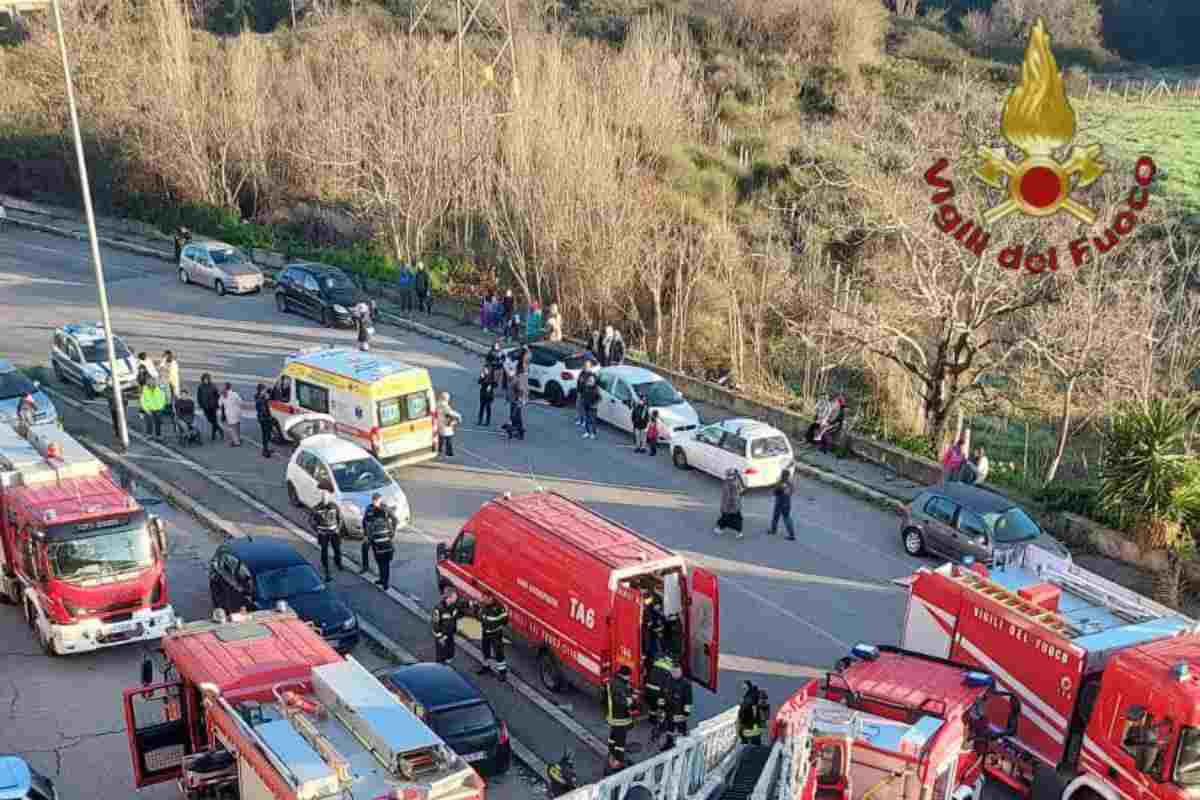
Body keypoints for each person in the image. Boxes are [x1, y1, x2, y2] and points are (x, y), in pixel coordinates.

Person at [362, 494, 395, 589]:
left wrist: (372, 539)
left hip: (379, 548)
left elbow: (370, 536)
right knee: (384, 564)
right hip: (387, 547)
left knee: (382, 564)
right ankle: (383, 580)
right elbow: (391, 533)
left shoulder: (373, 525)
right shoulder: (386, 523)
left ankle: (385, 582)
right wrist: (389, 537)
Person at [605, 666, 634, 768]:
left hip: (613, 715)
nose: (629, 678)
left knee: (613, 735)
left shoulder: (613, 682)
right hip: (620, 717)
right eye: (628, 677)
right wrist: (629, 701)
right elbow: (620, 701)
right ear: (624, 675)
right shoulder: (619, 686)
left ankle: (611, 751)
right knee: (620, 740)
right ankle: (618, 760)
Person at [476, 593, 509, 681]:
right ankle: (486, 667)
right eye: (482, 598)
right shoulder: (484, 605)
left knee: (499, 653)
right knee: (485, 650)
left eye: (485, 598)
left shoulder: (499, 608)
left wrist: (497, 625)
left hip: (496, 633)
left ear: (490, 598)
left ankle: (503, 673)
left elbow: (505, 619)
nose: (483, 600)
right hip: (486, 632)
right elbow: (480, 616)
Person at [311, 491, 342, 581]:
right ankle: (326, 568)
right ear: (321, 498)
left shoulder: (334, 506)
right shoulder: (317, 508)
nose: (325, 499)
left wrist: (338, 529)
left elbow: (339, 518)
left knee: (337, 549)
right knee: (324, 551)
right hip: (323, 534)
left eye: (327, 497)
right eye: (324, 497)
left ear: (329, 497)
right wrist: (317, 530)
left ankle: (338, 563)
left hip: (334, 533)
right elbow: (311, 521)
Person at [432, 587, 466, 664]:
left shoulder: (454, 606)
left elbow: (458, 614)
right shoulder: (439, 609)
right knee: (441, 657)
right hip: (442, 638)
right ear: (449, 597)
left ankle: (447, 666)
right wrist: (440, 638)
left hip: (450, 635)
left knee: (450, 654)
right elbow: (435, 625)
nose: (456, 598)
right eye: (455, 596)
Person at [664, 661, 693, 748]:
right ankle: (669, 743)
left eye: (676, 672)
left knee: (681, 728)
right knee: (669, 728)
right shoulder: (669, 680)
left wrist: (686, 713)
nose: (674, 674)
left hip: (679, 711)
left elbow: (688, 700)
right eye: (673, 672)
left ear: (680, 672)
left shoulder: (686, 684)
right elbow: (665, 693)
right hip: (669, 710)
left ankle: (684, 745)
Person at [645, 651, 674, 733]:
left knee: (653, 705)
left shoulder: (657, 662)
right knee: (663, 707)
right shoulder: (670, 667)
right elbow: (668, 683)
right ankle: (661, 725)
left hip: (648, 687)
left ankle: (651, 718)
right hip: (658, 691)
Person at [768, 466, 796, 540]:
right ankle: (792, 534)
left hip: (779, 502)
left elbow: (775, 492)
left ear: (782, 475)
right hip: (787, 503)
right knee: (787, 518)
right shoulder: (790, 484)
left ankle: (773, 530)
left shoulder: (780, 483)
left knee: (775, 517)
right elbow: (792, 491)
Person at [737, 681, 768, 745]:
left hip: (751, 720)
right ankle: (752, 743)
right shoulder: (749, 695)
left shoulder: (751, 695)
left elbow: (750, 707)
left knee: (749, 734)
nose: (743, 689)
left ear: (748, 686)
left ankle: (750, 743)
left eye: (744, 687)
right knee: (752, 736)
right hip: (751, 720)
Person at [716, 468, 744, 538]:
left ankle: (721, 528)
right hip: (737, 503)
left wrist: (725, 506)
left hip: (730, 505)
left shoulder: (728, 483)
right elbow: (741, 490)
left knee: (727, 517)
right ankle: (738, 532)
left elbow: (727, 496)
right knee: (736, 517)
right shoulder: (738, 480)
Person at [503, 362, 527, 441]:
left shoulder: (517, 380)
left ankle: (520, 433)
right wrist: (507, 399)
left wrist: (520, 400)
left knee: (516, 417)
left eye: (511, 371)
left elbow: (520, 391)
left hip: (516, 401)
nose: (509, 372)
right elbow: (509, 390)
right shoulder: (511, 379)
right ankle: (515, 431)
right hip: (512, 401)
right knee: (513, 417)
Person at [197, 373, 222, 441]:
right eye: (204, 379)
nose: (206, 380)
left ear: (209, 379)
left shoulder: (213, 386)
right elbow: (199, 397)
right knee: (210, 420)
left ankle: (213, 435)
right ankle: (220, 429)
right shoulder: (200, 387)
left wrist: (217, 404)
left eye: (207, 379)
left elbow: (217, 396)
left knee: (214, 420)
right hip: (205, 406)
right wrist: (200, 404)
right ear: (202, 380)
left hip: (213, 406)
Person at [436, 392, 462, 457]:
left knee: (441, 438)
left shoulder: (437, 403)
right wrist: (458, 416)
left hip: (439, 423)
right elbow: (450, 412)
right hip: (445, 423)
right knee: (448, 439)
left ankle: (439, 451)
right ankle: (449, 452)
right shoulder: (444, 405)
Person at [579, 364, 600, 440]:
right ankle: (587, 432)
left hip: (593, 407)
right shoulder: (586, 387)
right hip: (586, 405)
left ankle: (593, 433)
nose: (590, 382)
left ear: (594, 381)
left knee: (593, 421)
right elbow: (583, 394)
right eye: (589, 381)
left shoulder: (595, 389)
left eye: (591, 381)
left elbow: (599, 398)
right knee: (587, 420)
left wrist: (594, 404)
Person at [254, 384, 274, 458]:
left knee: (265, 434)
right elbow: (264, 410)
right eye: (264, 390)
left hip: (261, 418)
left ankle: (266, 449)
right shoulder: (261, 399)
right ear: (261, 390)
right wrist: (266, 399)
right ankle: (265, 451)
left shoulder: (257, 396)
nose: (265, 391)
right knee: (266, 434)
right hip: (265, 419)